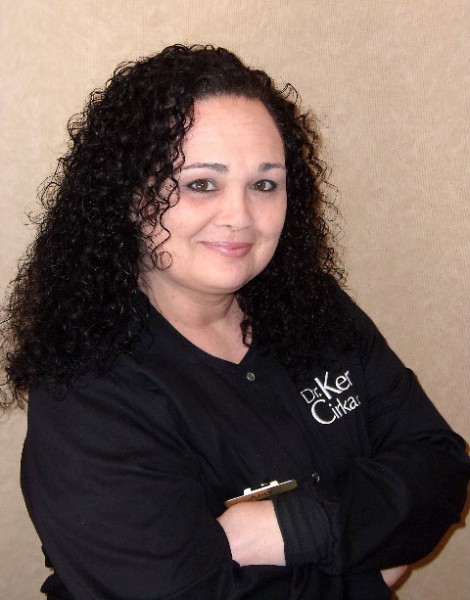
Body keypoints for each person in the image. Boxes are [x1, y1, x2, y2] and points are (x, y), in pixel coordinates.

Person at [2, 44, 469, 600]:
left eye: (264, 184)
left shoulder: (313, 307)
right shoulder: (89, 389)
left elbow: (441, 467)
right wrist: (374, 562)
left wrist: (290, 527)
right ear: (129, 196)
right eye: (201, 183)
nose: (240, 216)